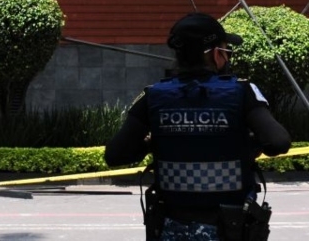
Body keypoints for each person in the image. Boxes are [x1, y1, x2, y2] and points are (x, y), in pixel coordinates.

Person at [104, 12, 291, 241]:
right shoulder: (241, 92)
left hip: (171, 228)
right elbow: (278, 142)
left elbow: (115, 155)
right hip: (229, 228)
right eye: (226, 50)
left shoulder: (153, 96)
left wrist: (155, 143)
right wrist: (243, 145)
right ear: (216, 54)